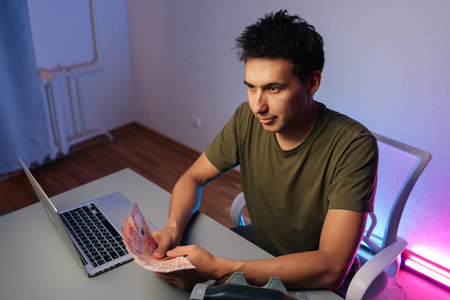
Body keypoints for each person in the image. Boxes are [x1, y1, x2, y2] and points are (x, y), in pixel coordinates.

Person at [152, 10, 378, 297]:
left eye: (273, 88)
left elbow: (332, 267)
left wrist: (221, 270)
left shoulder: (354, 145)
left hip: (316, 278)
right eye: (251, 87)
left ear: (312, 83)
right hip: (260, 247)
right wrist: (173, 226)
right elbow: (194, 176)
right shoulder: (246, 118)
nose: (258, 106)